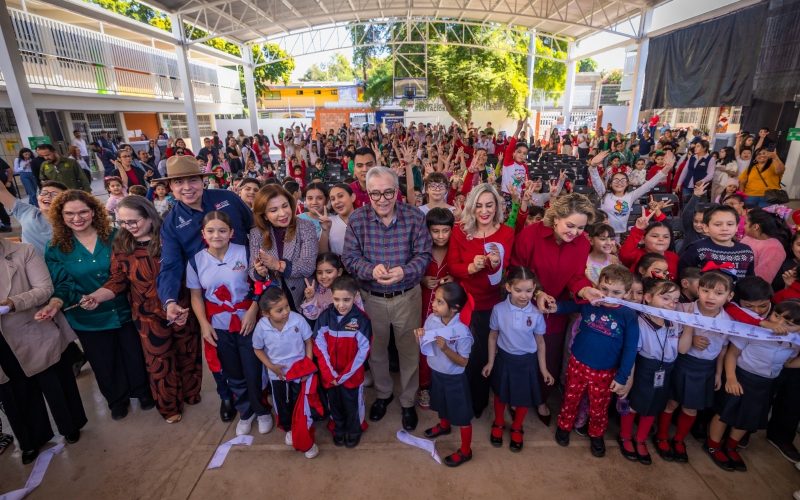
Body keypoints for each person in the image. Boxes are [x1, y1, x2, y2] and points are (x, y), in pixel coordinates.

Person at [80, 196, 201, 423]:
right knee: (159, 363)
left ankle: (191, 393)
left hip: (181, 307)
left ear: (150, 217)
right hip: (148, 315)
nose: (128, 227)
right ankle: (169, 407)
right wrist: (97, 296)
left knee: (187, 354)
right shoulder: (122, 245)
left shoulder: (169, 238)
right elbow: (117, 280)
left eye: (133, 221)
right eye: (123, 222)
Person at [36, 190, 151, 420]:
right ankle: (117, 400)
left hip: (125, 309)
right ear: (60, 216)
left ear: (94, 212)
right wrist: (57, 303)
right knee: (103, 362)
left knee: (134, 355)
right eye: (69, 214)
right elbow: (62, 283)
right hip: (87, 317)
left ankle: (143, 392)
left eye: (83, 212)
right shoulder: (56, 247)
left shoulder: (116, 236)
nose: (77, 218)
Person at [157, 155, 253, 422]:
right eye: (179, 182)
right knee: (218, 352)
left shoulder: (228, 199)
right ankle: (227, 395)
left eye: (192, 180)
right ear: (170, 187)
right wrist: (169, 300)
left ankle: (258, 395)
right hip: (211, 300)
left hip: (247, 292)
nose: (187, 187)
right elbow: (170, 266)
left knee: (253, 347)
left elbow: (254, 229)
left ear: (203, 180)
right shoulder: (172, 223)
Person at [342, 166, 431, 431]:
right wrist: (370, 270)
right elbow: (349, 258)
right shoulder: (357, 219)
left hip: (407, 297)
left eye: (388, 192)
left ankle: (408, 400)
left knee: (409, 351)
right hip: (371, 298)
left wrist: (405, 270)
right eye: (375, 194)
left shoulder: (414, 216)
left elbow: (424, 255)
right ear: (367, 193)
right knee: (377, 351)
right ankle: (383, 394)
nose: (382, 199)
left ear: (397, 191)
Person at [511, 193, 603, 424]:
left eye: (581, 228)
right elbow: (516, 268)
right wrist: (537, 293)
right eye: (570, 225)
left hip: (554, 311)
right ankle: (516, 398)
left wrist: (585, 290)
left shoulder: (582, 243)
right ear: (555, 218)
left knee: (549, 357)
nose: (575, 232)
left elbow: (576, 276)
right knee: (520, 355)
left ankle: (541, 398)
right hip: (523, 304)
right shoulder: (530, 235)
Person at [1, 239, 87, 464]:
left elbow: (44, 289)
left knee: (54, 381)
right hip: (2, 342)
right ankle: (31, 440)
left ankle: (70, 426)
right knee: (14, 390)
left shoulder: (23, 251)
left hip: (33, 327)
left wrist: (13, 302)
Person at [188, 211, 272, 436]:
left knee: (254, 367)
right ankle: (245, 412)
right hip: (219, 325)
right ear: (203, 233)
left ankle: (261, 410)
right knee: (232, 370)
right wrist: (204, 324)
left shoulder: (244, 252)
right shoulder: (196, 261)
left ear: (231, 232)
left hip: (247, 321)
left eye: (222, 230)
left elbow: (259, 283)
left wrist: (253, 309)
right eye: (211, 231)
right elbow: (196, 296)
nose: (216, 235)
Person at [553, 265, 639, 458]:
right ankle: (564, 426)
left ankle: (596, 434)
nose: (608, 295)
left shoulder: (629, 316)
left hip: (605, 371)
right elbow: (570, 306)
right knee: (570, 399)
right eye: (604, 289)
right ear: (597, 286)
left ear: (626, 293)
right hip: (578, 363)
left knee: (599, 407)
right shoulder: (591, 302)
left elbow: (630, 348)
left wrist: (622, 376)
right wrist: (555, 306)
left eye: (616, 292)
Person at [706, 301, 800, 471]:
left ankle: (731, 447)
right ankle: (713, 445)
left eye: (789, 323)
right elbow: (732, 354)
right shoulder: (753, 330)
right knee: (724, 414)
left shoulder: (794, 343)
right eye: (776, 316)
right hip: (741, 378)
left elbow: (787, 363)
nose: (779, 323)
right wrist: (731, 379)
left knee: (748, 418)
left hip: (765, 384)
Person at [447, 183, 514, 418]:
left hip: (492, 305)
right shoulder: (459, 230)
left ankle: (479, 401)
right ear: (471, 207)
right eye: (479, 206)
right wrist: (471, 267)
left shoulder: (506, 232)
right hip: (465, 304)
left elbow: (507, 269)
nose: (484, 211)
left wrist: (497, 265)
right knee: (463, 353)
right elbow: (453, 265)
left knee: (484, 356)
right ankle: (462, 398)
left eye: (489, 205)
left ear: (497, 207)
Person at [654, 270, 733, 463]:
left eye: (718, 293)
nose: (711, 297)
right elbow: (669, 335)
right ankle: (661, 436)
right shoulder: (683, 308)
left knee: (691, 408)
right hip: (682, 362)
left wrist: (718, 373)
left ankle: (679, 440)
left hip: (705, 368)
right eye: (705, 290)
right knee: (671, 402)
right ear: (698, 290)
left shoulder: (728, 322)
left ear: (729, 296)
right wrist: (691, 338)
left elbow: (723, 349)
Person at [483, 266, 552, 452]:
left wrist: (543, 369)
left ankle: (517, 427)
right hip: (504, 359)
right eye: (518, 290)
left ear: (534, 288)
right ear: (508, 287)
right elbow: (493, 336)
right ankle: (498, 422)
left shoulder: (536, 313)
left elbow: (540, 342)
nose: (524, 295)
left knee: (522, 397)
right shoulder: (498, 309)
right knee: (500, 395)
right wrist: (490, 362)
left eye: (529, 291)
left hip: (527, 362)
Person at [618, 279, 683, 465]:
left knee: (654, 405)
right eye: (665, 298)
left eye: (675, 300)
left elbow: (682, 349)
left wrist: (690, 327)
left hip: (665, 370)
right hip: (642, 368)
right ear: (647, 298)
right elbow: (631, 354)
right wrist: (629, 378)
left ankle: (640, 439)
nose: (671, 304)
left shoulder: (675, 322)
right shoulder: (638, 322)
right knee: (630, 404)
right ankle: (625, 436)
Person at [252, 287, 319, 459]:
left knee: (300, 403)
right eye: (279, 310)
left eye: (287, 306)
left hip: (299, 372)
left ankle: (302, 429)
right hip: (277, 375)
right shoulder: (261, 327)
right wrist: (271, 367)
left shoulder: (297, 320)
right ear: (266, 314)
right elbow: (257, 349)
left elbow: (308, 341)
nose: (286, 312)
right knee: (281, 402)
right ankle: (289, 428)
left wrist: (307, 365)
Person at [415, 282, 474, 467]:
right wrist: (420, 338)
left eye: (440, 302)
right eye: (435, 299)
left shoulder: (462, 332)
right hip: (437, 372)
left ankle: (466, 451)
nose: (433, 304)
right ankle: (444, 425)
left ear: (454, 308)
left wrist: (446, 349)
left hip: (454, 379)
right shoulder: (432, 319)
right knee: (440, 403)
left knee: (462, 416)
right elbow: (426, 346)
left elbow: (464, 362)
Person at [312, 275, 371, 448]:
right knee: (334, 404)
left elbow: (363, 352)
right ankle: (338, 428)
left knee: (353, 405)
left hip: (351, 377)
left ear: (355, 296)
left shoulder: (361, 320)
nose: (341, 304)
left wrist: (343, 376)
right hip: (330, 377)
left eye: (346, 300)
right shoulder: (325, 317)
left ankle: (354, 430)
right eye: (337, 299)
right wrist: (330, 373)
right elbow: (318, 345)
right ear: (331, 296)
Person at [249, 184, 318, 311]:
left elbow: (308, 267)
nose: (282, 213)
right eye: (273, 210)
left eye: (285, 206)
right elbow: (251, 270)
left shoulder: (305, 227)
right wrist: (259, 272)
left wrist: (278, 265)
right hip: (273, 302)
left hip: (303, 298)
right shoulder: (256, 233)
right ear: (264, 215)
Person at [590, 150, 672, 237]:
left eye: (623, 180)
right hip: (604, 234)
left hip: (622, 235)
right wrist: (593, 166)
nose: (619, 182)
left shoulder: (631, 196)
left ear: (627, 183)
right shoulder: (604, 194)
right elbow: (596, 180)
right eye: (616, 180)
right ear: (610, 183)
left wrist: (666, 168)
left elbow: (649, 184)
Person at [678, 205, 755, 280]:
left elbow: (750, 280)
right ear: (706, 227)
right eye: (718, 224)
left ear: (736, 227)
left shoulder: (746, 251)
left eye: (730, 224)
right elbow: (684, 276)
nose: (724, 228)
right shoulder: (697, 249)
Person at [740, 209, 789, 284]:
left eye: (745, 223)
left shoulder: (774, 248)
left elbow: (761, 281)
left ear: (755, 227)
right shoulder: (748, 237)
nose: (743, 226)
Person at [322, 183, 355, 256]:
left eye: (340, 196)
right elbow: (323, 254)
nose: (336, 201)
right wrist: (325, 231)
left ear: (352, 197)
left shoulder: (364, 219)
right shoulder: (328, 222)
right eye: (333, 199)